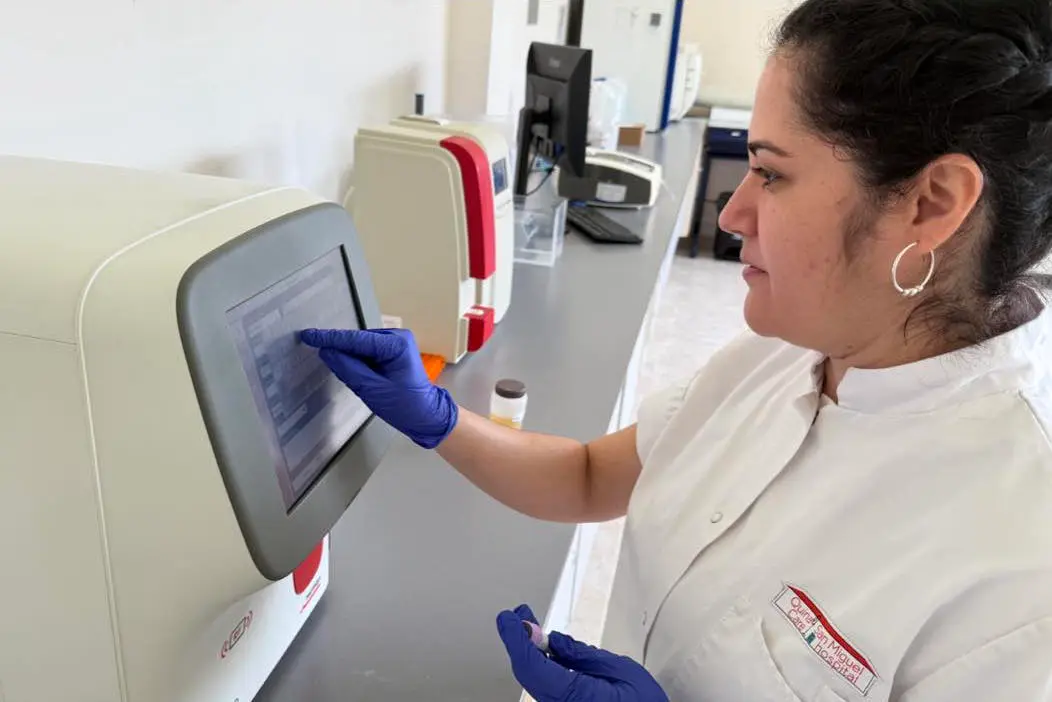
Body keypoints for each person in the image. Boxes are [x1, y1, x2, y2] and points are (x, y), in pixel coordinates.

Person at [301, 0, 1052, 699]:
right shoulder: (800, 348)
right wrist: (437, 418)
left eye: (771, 172)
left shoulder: (1021, 562)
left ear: (932, 204)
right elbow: (593, 476)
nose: (733, 211)